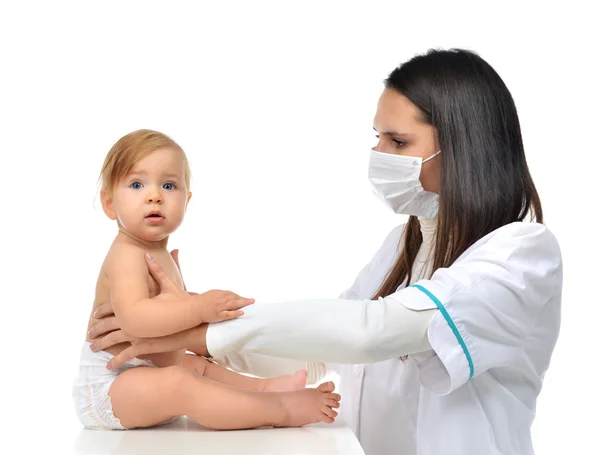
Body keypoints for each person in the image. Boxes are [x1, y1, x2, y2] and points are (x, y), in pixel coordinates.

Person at [89, 49, 562, 455]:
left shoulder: (521, 253)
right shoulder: (406, 241)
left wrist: (198, 321)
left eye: (397, 141)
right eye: (376, 136)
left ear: (464, 149)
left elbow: (371, 332)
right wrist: (184, 336)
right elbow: (324, 351)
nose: (379, 153)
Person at [73, 129, 341, 431]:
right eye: (136, 184)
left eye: (168, 185)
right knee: (180, 381)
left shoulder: (159, 254)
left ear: (186, 201)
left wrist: (188, 307)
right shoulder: (126, 253)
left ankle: (264, 389)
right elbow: (135, 320)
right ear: (109, 203)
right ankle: (278, 409)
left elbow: (167, 325)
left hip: (147, 376)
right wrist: (198, 308)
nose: (154, 195)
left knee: (197, 366)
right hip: (111, 385)